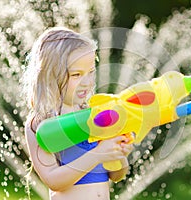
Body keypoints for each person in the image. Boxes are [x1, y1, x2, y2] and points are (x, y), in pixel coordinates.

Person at [21, 27, 133, 200]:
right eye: (76, 74)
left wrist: (119, 153)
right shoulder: (42, 123)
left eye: (91, 73)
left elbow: (116, 176)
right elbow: (53, 181)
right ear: (51, 75)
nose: (87, 82)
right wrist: (98, 154)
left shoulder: (92, 113)